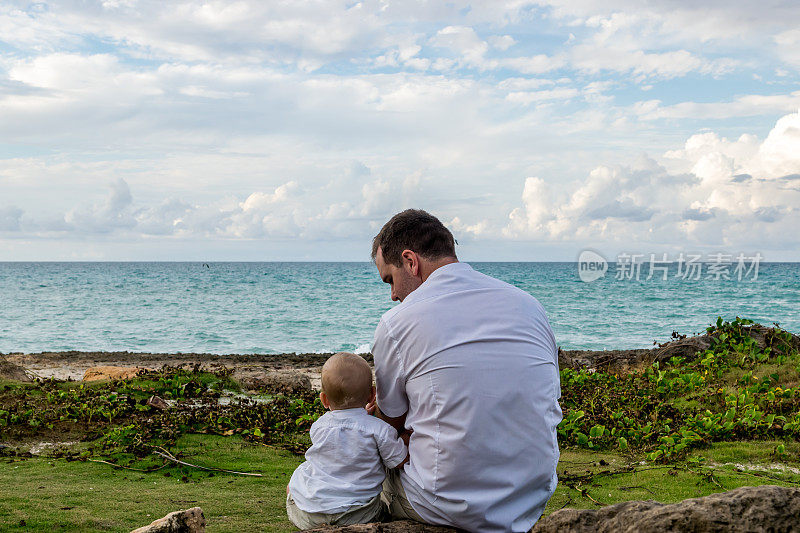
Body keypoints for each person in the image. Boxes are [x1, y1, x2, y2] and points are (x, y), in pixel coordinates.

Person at [370, 209, 562, 533]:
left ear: (410, 261)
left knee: (374, 449)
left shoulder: (397, 324)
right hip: (530, 494)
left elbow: (391, 428)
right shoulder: (529, 305)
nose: (393, 295)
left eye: (390, 279)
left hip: (445, 501)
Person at [286, 352, 408, 529]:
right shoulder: (379, 429)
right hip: (357, 514)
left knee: (298, 478)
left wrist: (358, 419)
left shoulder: (319, 426)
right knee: (383, 509)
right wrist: (405, 438)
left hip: (311, 515)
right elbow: (398, 460)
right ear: (372, 395)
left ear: (324, 399)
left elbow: (346, 433)